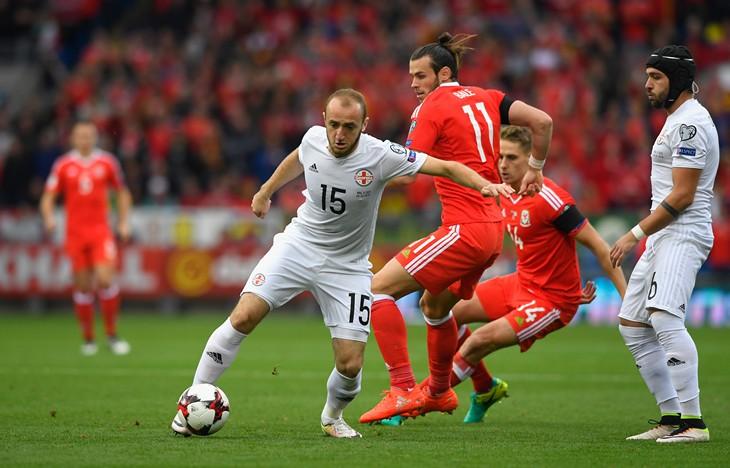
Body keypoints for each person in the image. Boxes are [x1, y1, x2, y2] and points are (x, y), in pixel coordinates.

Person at [170, 88, 512, 439]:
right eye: (333, 124)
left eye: (349, 126)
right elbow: (299, 157)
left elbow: (446, 166)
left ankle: (332, 417)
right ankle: (191, 402)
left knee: (350, 364)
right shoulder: (313, 138)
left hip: (347, 267)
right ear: (324, 120)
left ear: (364, 125)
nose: (339, 134)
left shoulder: (381, 154)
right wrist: (266, 190)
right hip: (298, 246)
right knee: (243, 316)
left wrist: (485, 185)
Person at [360, 32, 553, 424]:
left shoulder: (432, 106)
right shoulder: (489, 97)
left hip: (465, 229)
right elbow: (543, 121)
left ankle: (402, 389)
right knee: (434, 307)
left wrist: (362, 166)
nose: (413, 84)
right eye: (411, 76)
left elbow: (407, 169)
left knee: (376, 291)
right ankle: (439, 391)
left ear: (443, 73)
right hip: (492, 228)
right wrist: (536, 168)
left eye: (420, 75)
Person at [380, 126, 627, 426]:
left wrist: (627, 301)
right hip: (520, 283)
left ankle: (413, 403)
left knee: (478, 341)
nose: (503, 165)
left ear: (531, 160)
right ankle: (485, 387)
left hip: (551, 300)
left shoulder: (550, 199)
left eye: (512, 158)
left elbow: (601, 248)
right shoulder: (502, 190)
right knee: (449, 314)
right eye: (500, 157)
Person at [610, 45, 718, 443]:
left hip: (683, 232)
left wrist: (633, 234)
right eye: (647, 76)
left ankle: (694, 423)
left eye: (656, 77)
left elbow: (684, 195)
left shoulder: (691, 124)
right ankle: (671, 416)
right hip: (664, 234)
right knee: (633, 324)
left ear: (677, 80)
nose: (647, 84)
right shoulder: (676, 120)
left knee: (664, 317)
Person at [40, 121, 132, 356]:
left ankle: (111, 335)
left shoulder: (107, 162)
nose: (85, 139)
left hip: (101, 231)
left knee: (105, 278)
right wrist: (49, 218)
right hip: (75, 234)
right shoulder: (63, 165)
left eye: (89, 135)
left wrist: (123, 222)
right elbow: (48, 196)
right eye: (80, 135)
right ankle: (89, 338)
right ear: (73, 138)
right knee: (82, 285)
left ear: (95, 137)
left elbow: (122, 192)